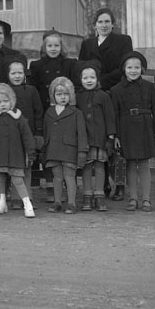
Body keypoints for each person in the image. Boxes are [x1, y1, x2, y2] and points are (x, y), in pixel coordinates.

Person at [110, 51, 155, 213]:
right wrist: (116, 135)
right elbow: (114, 114)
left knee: (144, 163)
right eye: (129, 67)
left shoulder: (149, 87)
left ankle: (146, 199)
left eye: (137, 67)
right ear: (124, 69)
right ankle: (133, 198)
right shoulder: (116, 90)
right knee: (131, 164)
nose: (133, 70)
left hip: (145, 127)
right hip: (125, 128)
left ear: (142, 69)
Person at [28, 29, 77, 202]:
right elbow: (33, 91)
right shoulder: (37, 66)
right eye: (50, 45)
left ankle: (66, 184)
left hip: (66, 112)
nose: (53, 48)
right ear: (44, 47)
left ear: (61, 46)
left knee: (64, 145)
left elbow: (74, 87)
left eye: (57, 45)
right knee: (49, 147)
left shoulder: (70, 64)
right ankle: (50, 185)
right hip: (46, 112)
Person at [0, 83, 37, 218]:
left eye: (6, 101)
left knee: (18, 179)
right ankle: (1, 203)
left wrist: (30, 152)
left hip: (15, 155)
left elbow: (27, 137)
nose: (3, 104)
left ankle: (27, 204)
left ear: (12, 101)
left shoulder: (18, 118)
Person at [43, 77, 88, 214]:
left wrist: (82, 151)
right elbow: (46, 133)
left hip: (70, 149)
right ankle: (57, 202)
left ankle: (71, 203)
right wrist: (45, 150)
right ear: (53, 96)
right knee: (57, 176)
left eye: (66, 94)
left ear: (71, 95)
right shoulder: (49, 113)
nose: (63, 97)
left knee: (69, 176)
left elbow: (82, 134)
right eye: (59, 94)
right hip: (54, 149)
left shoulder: (76, 113)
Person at [76, 60, 116, 212]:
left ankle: (99, 196)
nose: (89, 81)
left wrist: (111, 136)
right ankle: (87, 196)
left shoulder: (104, 96)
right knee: (86, 166)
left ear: (97, 79)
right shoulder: (78, 97)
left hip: (100, 138)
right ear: (81, 80)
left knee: (99, 166)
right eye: (85, 78)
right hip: (84, 138)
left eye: (92, 77)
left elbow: (110, 116)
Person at [4, 55, 44, 210]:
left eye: (20, 72)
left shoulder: (32, 91)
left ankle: (28, 196)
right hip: (11, 135)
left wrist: (38, 133)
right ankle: (15, 196)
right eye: (13, 73)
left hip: (29, 134)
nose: (17, 76)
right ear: (8, 74)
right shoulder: (4, 91)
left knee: (27, 165)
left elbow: (38, 112)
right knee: (14, 167)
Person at [78, 9, 133, 92]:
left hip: (117, 89)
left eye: (107, 21)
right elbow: (81, 67)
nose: (104, 25)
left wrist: (102, 82)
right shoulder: (87, 44)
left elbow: (125, 66)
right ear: (95, 25)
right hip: (92, 90)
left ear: (112, 24)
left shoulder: (123, 41)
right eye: (100, 22)